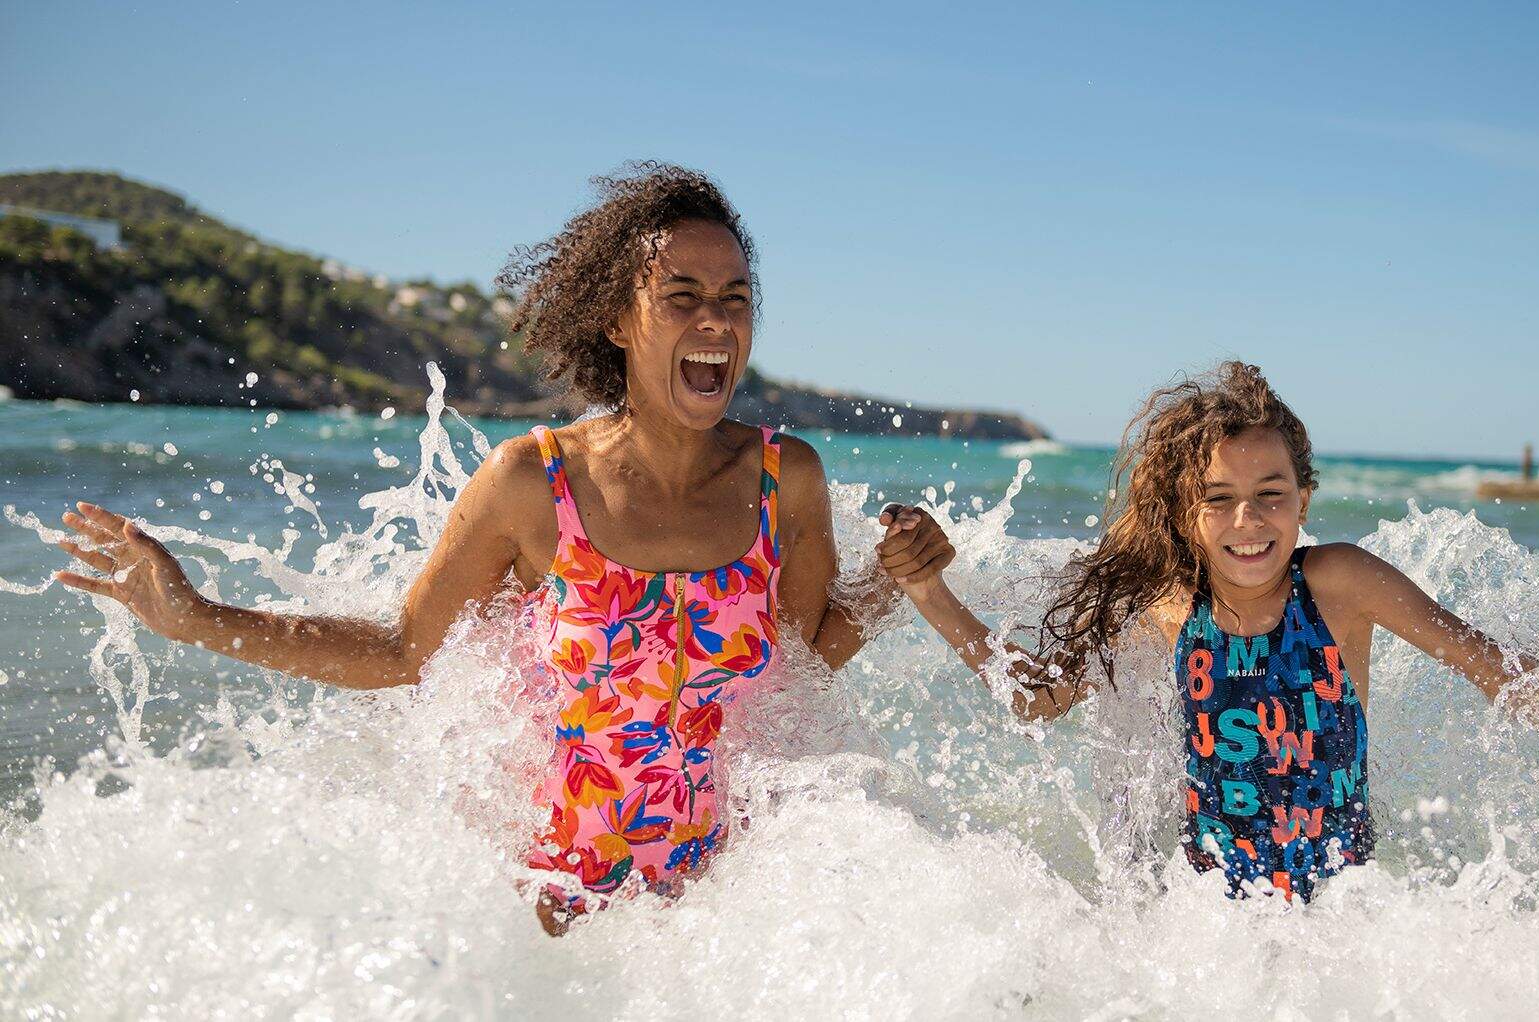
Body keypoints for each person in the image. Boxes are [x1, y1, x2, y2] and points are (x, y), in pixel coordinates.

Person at [50, 162, 901, 933]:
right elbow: (404, 651)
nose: (715, 320)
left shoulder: (785, 480)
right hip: (555, 921)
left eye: (736, 296)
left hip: (730, 916)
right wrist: (198, 617)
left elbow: (802, 664)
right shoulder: (535, 483)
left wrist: (894, 584)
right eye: (682, 296)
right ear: (617, 320)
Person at [872, 361, 1539, 901]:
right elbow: (1038, 700)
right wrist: (931, 593)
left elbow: (1503, 672)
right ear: (1186, 515)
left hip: (1346, 924)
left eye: (1270, 496)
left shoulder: (1341, 586)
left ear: (1304, 498)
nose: (1249, 522)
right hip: (1205, 932)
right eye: (1220, 501)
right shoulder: (1163, 608)